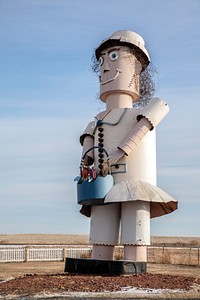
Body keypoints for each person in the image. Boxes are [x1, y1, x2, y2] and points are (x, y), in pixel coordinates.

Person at [79, 30, 178, 262]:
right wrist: (87, 159)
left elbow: (149, 121)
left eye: (113, 57)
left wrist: (121, 151)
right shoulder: (97, 120)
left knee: (135, 225)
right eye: (102, 60)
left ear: (136, 68)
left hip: (135, 182)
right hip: (104, 183)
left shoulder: (146, 112)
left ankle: (135, 264)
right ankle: (100, 262)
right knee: (102, 227)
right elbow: (88, 147)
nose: (104, 68)